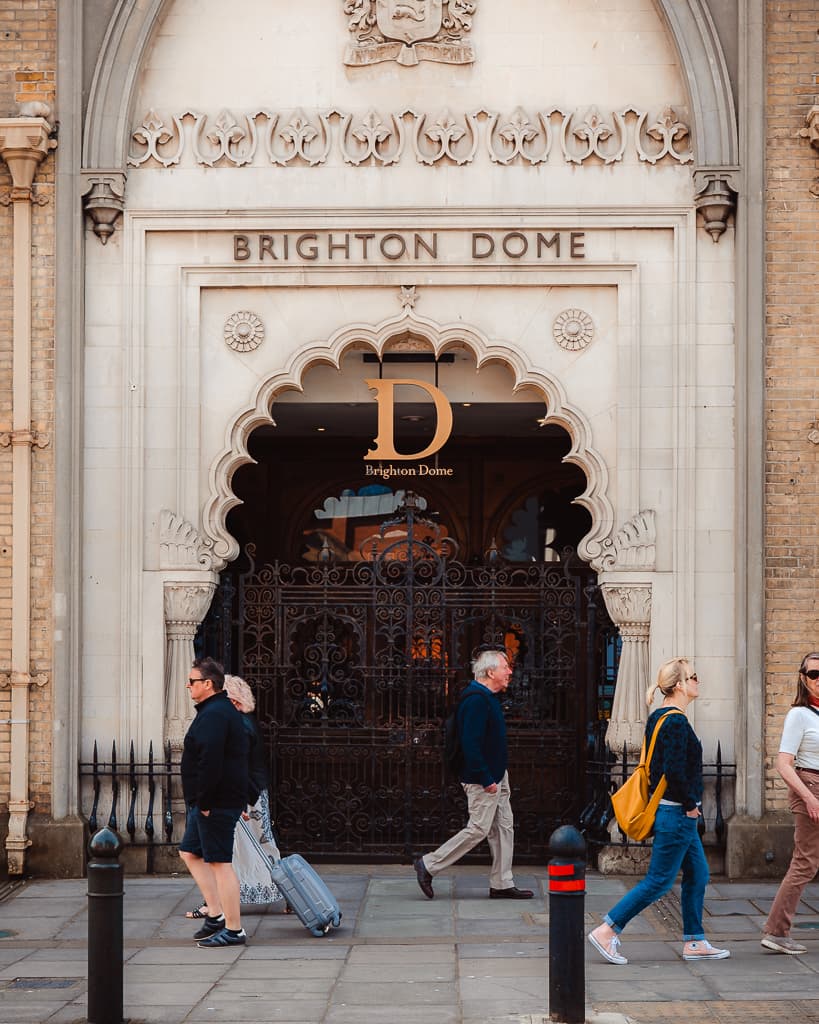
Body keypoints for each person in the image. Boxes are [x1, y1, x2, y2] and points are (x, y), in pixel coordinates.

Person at [588, 657, 730, 965]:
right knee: (659, 881)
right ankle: (607, 930)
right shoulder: (676, 722)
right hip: (677, 814)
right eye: (693, 676)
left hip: (677, 814)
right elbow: (673, 771)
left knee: (698, 874)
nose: (697, 681)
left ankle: (695, 941)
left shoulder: (660, 716)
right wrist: (690, 806)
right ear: (679, 685)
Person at [412, 648, 533, 901]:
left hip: (497, 774)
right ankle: (429, 864)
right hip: (483, 778)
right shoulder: (477, 700)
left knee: (504, 827)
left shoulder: (487, 697)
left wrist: (497, 776)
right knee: (478, 828)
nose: (510, 672)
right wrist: (486, 778)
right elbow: (471, 744)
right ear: (490, 672)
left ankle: (502, 882)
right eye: (505, 667)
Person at [179, 656, 250, 947]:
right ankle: (216, 914)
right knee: (190, 852)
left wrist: (205, 802)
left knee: (220, 863)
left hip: (215, 801)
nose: (188, 685)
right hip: (209, 801)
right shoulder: (213, 710)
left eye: (192, 681)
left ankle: (234, 930)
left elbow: (212, 761)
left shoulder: (216, 714)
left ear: (208, 684)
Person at [760, 652, 819, 955]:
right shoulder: (799, 715)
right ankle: (776, 932)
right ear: (803, 678)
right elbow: (784, 764)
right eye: (814, 675)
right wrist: (809, 798)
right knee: (805, 863)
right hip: (811, 787)